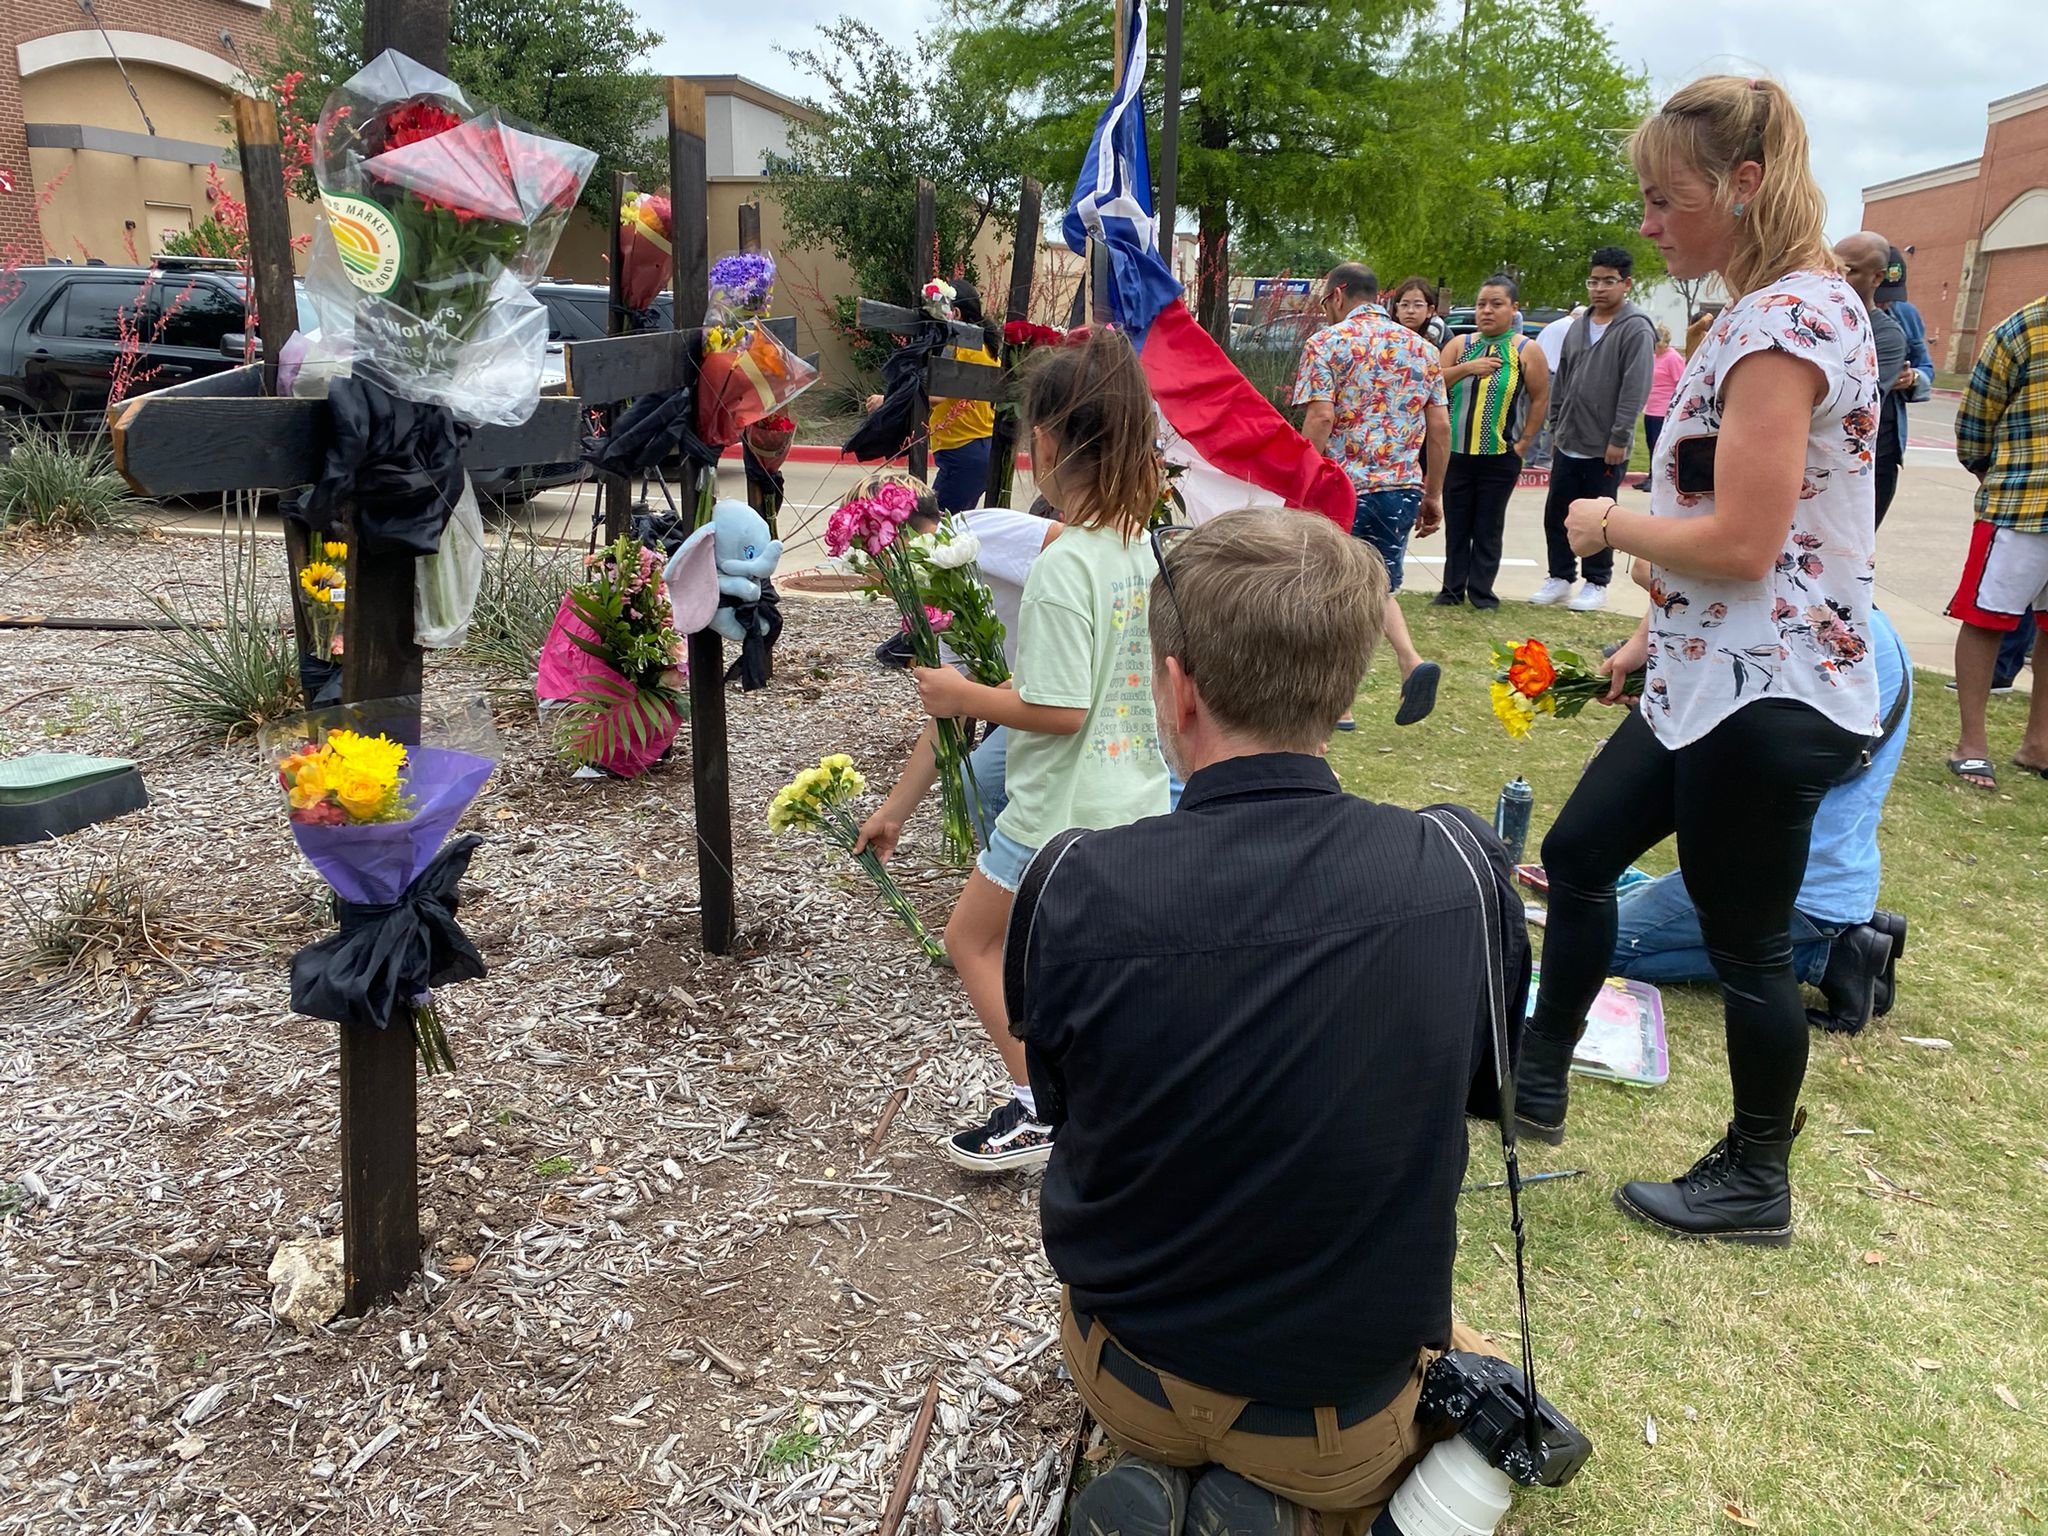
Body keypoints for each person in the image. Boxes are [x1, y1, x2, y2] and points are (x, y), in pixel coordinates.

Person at [1016, 508, 1529, 1536]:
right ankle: (1290, 1517)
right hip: (1335, 1421)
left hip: (1126, 1371)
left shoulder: (1072, 880)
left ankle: (1167, 1482)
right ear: (1346, 690)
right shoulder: (1462, 869)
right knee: (1487, 1384)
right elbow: (1484, 1093)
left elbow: (1061, 1109)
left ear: (1177, 688)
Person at [1517, 75, 1882, 1245]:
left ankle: (1754, 1178)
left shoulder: (1784, 323)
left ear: (1743, 183)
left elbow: (1743, 541)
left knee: (1747, 947)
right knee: (1578, 853)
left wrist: (1608, 523)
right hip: (1713, 675)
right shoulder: (1775, 308)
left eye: (1664, 199)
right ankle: (1534, 1077)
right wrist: (1647, 638)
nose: (1648, 224)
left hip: (1766, 693)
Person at [908, 329, 1172, 1172]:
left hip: (1055, 813)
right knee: (1073, 962)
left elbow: (1057, 710)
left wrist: (961, 697)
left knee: (971, 942)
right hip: (1132, 796)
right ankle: (1107, 1091)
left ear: (1048, 442)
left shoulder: (1064, 565)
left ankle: (1041, 1109)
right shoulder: (1135, 547)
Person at [1612, 606, 1911, 1035]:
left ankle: (1828, 955)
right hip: (1826, 874)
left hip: (1785, 885)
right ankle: (1829, 937)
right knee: (1607, 912)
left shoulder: (1806, 634)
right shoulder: (1865, 622)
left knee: (1604, 945)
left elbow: (1748, 764)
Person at [855, 489, 1063, 858]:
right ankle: (1019, 879)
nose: (869, 575)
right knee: (983, 782)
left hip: (1083, 677)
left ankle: (1024, 880)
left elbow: (1074, 549)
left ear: (891, 540)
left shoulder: (975, 531)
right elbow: (949, 717)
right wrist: (892, 816)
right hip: (1033, 695)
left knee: (989, 781)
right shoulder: (935, 603)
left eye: (865, 555)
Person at [1294, 263, 1445, 728]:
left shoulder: (1327, 343)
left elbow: (1321, 417)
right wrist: (1433, 494)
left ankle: (1339, 701)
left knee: (1329, 589)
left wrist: (1302, 482)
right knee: (1377, 586)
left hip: (1342, 486)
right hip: (1399, 486)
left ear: (1338, 294)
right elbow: (1439, 427)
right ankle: (1409, 660)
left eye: (1325, 301)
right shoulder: (1422, 349)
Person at [1946, 289, 2048, 790]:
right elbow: (1974, 424)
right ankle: (1972, 745)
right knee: (1987, 619)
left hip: (2023, 501)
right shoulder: (2021, 330)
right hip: (2020, 505)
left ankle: (2039, 744)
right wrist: (1995, 475)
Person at [1532, 246, 1656, 611]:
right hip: (1568, 438)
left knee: (1600, 517)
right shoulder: (1578, 325)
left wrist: (1619, 437)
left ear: (1626, 283)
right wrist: (1556, 425)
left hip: (1604, 445)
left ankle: (1596, 581)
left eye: (1608, 281)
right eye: (1594, 281)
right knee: (1558, 512)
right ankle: (1559, 576)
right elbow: (1562, 377)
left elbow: (1635, 387)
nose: (1599, 289)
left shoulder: (1636, 329)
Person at [1434, 273, 1550, 608]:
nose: (1487, 311)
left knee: (1488, 525)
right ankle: (1451, 590)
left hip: (1500, 454)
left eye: (1496, 304)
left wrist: (1525, 442)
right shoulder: (1459, 345)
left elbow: (1540, 398)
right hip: (1456, 452)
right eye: (1481, 304)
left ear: (1514, 308)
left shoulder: (1526, 349)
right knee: (1457, 524)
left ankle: (1482, 593)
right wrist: (1469, 368)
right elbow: (1434, 382)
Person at [863, 282, 999, 515]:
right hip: (980, 448)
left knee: (932, 523)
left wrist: (887, 401)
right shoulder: (984, 346)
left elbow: (936, 394)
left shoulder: (962, 346)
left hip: (963, 452)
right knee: (951, 523)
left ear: (955, 313)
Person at [1835, 232, 1911, 527]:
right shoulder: (1813, 320)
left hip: (1863, 467)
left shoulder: (1886, 335)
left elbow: (1853, 401)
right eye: (1832, 266)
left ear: (1877, 277)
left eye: (1850, 270)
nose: (1838, 277)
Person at [1627, 323, 1686, 491]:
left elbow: (1680, 383)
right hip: (1651, 408)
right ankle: (1651, 475)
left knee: (1658, 445)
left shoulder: (1673, 358)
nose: (1656, 349)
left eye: (1659, 346)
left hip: (1664, 409)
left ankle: (1657, 478)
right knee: (1650, 444)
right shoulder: (1653, 357)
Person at [1389, 276, 1443, 347]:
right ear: (1397, 309)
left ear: (1429, 310)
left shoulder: (1433, 348)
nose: (1410, 311)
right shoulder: (1384, 342)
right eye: (1405, 305)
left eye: (1418, 305)